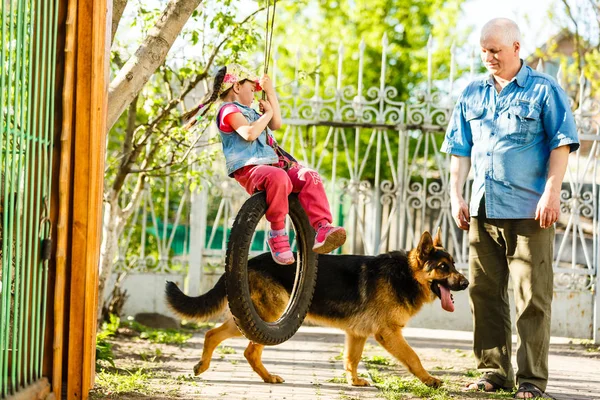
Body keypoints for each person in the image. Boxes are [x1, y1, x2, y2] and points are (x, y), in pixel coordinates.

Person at [441, 18, 579, 399]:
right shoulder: (471, 93)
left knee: (532, 297)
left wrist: (552, 193)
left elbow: (561, 144)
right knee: (485, 293)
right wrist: (456, 194)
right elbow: (459, 150)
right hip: (483, 210)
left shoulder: (544, 90)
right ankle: (492, 372)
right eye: (484, 50)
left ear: (517, 48)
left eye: (495, 51)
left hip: (530, 211)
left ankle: (532, 380)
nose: (488, 57)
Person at [184, 64, 346, 265]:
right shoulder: (228, 110)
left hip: (276, 164)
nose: (254, 95)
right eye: (252, 89)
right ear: (236, 87)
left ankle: (322, 228)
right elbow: (249, 133)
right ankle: (277, 233)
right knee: (278, 178)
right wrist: (266, 115)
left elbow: (276, 124)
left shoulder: (250, 112)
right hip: (250, 169)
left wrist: (270, 93)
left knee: (309, 176)